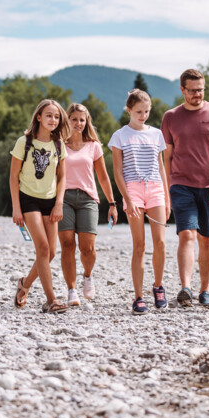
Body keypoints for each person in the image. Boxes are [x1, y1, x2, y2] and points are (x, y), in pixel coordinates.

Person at [161, 68, 209, 307]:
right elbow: (167, 157)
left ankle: (205, 291)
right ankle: (186, 288)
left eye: (201, 90)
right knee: (187, 234)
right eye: (192, 91)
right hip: (181, 184)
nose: (197, 95)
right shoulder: (170, 117)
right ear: (182, 89)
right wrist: (167, 188)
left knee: (206, 238)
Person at [110, 89, 170, 314]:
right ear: (129, 110)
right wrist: (127, 199)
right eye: (138, 112)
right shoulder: (119, 136)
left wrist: (167, 196)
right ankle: (138, 296)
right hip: (132, 189)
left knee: (161, 243)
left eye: (146, 111)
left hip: (155, 188)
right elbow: (117, 172)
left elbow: (161, 167)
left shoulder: (156, 134)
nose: (143, 115)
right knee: (140, 245)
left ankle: (158, 286)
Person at [10, 99, 70, 313]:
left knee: (51, 252)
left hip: (51, 201)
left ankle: (24, 285)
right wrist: (16, 208)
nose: (53, 120)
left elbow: (62, 177)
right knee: (43, 248)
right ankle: (51, 300)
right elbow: (13, 177)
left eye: (56, 116)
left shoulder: (58, 145)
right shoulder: (24, 142)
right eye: (48, 115)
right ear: (38, 117)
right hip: (29, 200)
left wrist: (59, 203)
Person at [58, 103, 118, 304]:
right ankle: (72, 290)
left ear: (87, 122)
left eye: (82, 120)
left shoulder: (93, 145)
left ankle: (88, 275)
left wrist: (112, 203)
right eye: (74, 119)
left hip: (88, 199)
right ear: (68, 120)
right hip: (63, 198)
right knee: (67, 244)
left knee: (87, 248)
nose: (78, 123)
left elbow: (103, 176)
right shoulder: (58, 144)